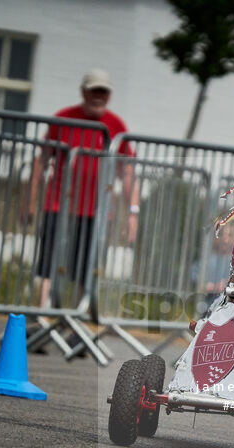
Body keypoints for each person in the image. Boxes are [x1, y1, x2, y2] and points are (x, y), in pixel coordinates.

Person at [29, 68, 138, 307]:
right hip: (58, 204)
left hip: (95, 212)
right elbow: (42, 158)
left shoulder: (116, 125)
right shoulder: (64, 117)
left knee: (84, 271)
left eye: (103, 92)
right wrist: (30, 199)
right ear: (83, 92)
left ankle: (73, 324)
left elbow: (127, 171)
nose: (98, 96)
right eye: (94, 91)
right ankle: (43, 318)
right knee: (49, 265)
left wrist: (133, 212)